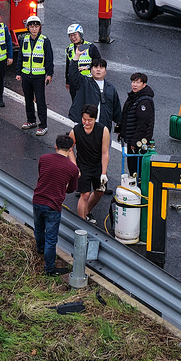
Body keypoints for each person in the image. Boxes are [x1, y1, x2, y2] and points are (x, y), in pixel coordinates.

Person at [32, 133, 79, 276]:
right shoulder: (72, 169)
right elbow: (71, 189)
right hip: (53, 205)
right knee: (51, 239)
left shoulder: (43, 159)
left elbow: (41, 174)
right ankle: (50, 269)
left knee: (39, 229)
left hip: (38, 199)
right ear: (71, 149)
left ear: (56, 146)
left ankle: (40, 249)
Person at [15, 15, 53, 136]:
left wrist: (49, 74)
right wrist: (18, 72)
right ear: (28, 28)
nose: (34, 29)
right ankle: (31, 121)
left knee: (40, 101)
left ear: (39, 27)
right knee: (28, 99)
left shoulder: (45, 41)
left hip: (39, 76)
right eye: (32, 26)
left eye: (36, 26)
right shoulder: (24, 40)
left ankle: (43, 125)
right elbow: (20, 57)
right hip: (26, 75)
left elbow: (49, 59)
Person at [73, 107, 111, 224]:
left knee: (99, 191)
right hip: (82, 166)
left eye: (90, 120)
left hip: (97, 166)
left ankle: (86, 212)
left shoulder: (103, 130)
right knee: (84, 195)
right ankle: (82, 223)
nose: (87, 123)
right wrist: (75, 166)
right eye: (84, 119)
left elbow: (105, 153)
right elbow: (69, 148)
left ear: (95, 119)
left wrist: (103, 173)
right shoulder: (76, 130)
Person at [68, 58, 122, 135]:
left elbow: (117, 109)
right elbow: (73, 74)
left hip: (103, 128)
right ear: (91, 70)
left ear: (105, 71)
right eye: (96, 67)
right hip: (84, 127)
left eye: (101, 67)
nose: (98, 70)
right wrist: (77, 56)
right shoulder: (84, 82)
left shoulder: (111, 88)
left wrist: (120, 125)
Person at [119, 72, 155, 178]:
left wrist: (134, 141)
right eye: (133, 82)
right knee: (132, 167)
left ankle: (139, 190)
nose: (134, 85)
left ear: (144, 85)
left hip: (138, 142)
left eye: (138, 82)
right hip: (132, 139)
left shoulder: (144, 101)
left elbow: (143, 124)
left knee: (136, 168)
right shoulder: (134, 96)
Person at [63, 23, 101, 105]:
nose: (73, 38)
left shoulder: (90, 47)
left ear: (80, 34)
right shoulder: (69, 49)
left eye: (75, 35)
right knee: (76, 104)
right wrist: (67, 81)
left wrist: (87, 67)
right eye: (70, 36)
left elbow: (99, 63)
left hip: (89, 82)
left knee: (89, 105)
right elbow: (68, 66)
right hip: (75, 83)